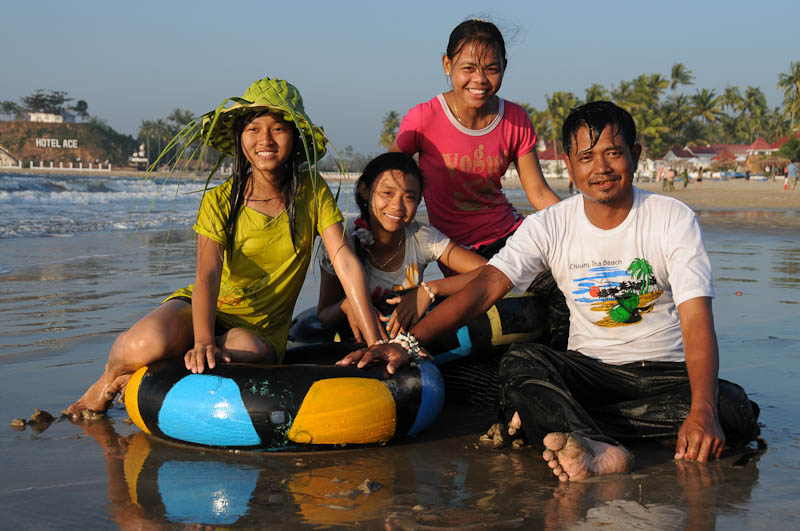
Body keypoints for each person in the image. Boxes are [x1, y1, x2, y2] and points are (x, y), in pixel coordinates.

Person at [340, 101, 760, 482]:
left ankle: (570, 427)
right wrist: (408, 343)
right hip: (589, 373)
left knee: (732, 410)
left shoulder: (672, 218)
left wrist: (702, 409)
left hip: (665, 377)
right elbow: (486, 287)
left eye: (613, 152)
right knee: (522, 363)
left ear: (636, 154)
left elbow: (695, 317)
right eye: (586, 156)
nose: (601, 167)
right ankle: (600, 447)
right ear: (570, 165)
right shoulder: (550, 224)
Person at [66, 77, 383, 418]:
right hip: (203, 308)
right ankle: (108, 380)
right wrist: (202, 340)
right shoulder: (219, 201)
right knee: (141, 344)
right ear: (239, 137)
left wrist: (376, 342)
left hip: (255, 330)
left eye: (278, 129)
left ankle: (172, 362)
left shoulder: (311, 191)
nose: (265, 140)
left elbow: (344, 260)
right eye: (253, 129)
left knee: (254, 350)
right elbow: (208, 274)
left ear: (294, 137)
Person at [391, 18, 560, 261]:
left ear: (505, 67)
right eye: (468, 68)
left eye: (491, 69)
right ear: (447, 65)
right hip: (455, 249)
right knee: (491, 281)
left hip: (512, 234)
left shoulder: (516, 118)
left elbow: (539, 193)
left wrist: (582, 226)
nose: (480, 79)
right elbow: (385, 178)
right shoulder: (424, 118)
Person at [317, 152, 487, 339]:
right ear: (365, 191)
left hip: (408, 341)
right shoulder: (342, 239)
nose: (397, 206)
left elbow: (489, 272)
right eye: (387, 193)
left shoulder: (421, 237)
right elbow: (324, 315)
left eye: (409, 197)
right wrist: (347, 304)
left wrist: (429, 290)